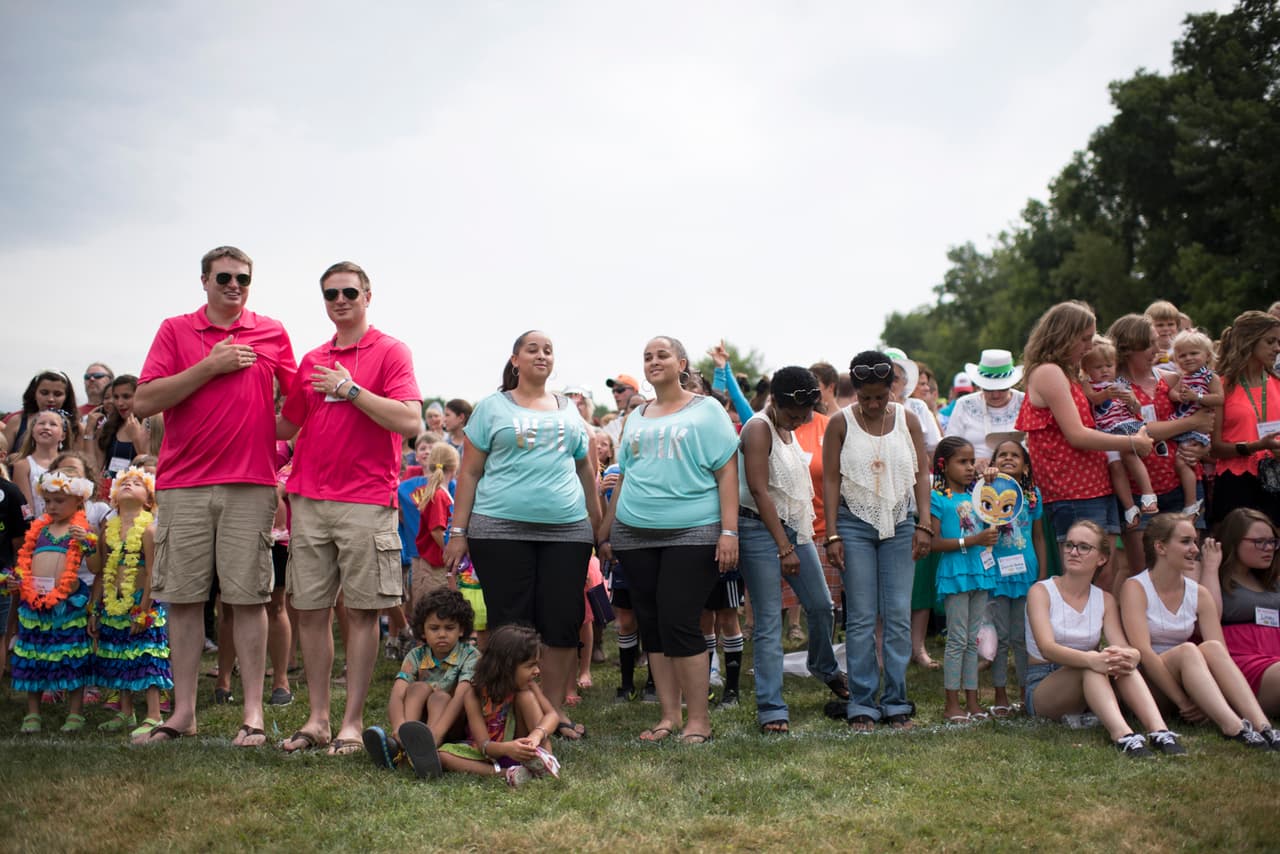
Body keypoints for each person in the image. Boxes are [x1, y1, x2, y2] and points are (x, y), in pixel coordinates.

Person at [133, 245, 297, 745]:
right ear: (203, 280)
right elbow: (144, 401)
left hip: (250, 484)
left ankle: (253, 715)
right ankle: (183, 713)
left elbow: (298, 407)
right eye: (224, 277)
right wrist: (210, 365)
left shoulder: (272, 332)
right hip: (183, 484)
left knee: (248, 600)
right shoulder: (175, 330)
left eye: (243, 279)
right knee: (182, 601)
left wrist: (265, 435)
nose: (234, 286)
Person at [276, 261, 423, 756]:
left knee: (362, 613)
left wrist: (351, 390)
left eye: (349, 292)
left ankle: (352, 723)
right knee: (310, 611)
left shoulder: (389, 350)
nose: (340, 300)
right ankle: (318, 719)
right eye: (331, 294)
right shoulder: (313, 357)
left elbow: (409, 421)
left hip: (365, 499)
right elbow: (284, 426)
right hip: (309, 500)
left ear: (367, 295)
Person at [444, 330, 602, 740]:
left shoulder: (569, 411)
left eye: (548, 350)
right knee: (510, 625)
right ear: (515, 360)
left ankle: (552, 713)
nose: (541, 355)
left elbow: (587, 469)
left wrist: (596, 521)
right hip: (499, 530)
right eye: (532, 349)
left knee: (562, 621)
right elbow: (470, 472)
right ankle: (514, 713)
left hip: (567, 531)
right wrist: (457, 531)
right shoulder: (491, 408)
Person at [597, 335, 739, 744]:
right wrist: (606, 530)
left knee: (680, 619)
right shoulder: (636, 416)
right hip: (634, 534)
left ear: (681, 363)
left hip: (693, 531)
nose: (654, 361)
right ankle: (668, 716)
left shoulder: (707, 410)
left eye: (662, 355)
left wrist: (729, 531)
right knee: (653, 624)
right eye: (647, 357)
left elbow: (727, 471)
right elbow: (626, 474)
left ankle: (699, 721)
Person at [823, 350, 932, 731]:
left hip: (901, 522)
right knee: (862, 617)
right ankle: (863, 704)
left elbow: (921, 474)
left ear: (893, 390)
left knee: (899, 615)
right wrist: (832, 532)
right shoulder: (840, 423)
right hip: (853, 524)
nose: (871, 404)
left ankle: (897, 701)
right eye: (864, 397)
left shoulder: (908, 420)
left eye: (879, 397)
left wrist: (924, 523)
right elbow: (831, 479)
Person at [1015, 301, 1153, 594]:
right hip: (1071, 488)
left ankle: (1096, 636)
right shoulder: (1049, 372)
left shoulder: (1069, 373)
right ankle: (1072, 637)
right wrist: (1132, 441)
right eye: (1084, 338)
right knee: (1083, 575)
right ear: (1064, 335)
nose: (1090, 346)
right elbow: (1077, 435)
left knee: (1106, 570)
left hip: (1094, 483)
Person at [737, 366, 846, 734]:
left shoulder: (788, 426)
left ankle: (824, 666)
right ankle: (771, 707)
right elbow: (759, 489)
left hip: (795, 526)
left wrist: (797, 537)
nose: (800, 422)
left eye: (805, 415)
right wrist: (784, 547)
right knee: (768, 621)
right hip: (757, 529)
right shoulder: (757, 428)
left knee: (821, 605)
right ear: (775, 402)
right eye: (794, 415)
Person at [1024, 520, 1184, 757]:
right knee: (1095, 660)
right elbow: (1047, 648)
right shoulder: (1041, 591)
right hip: (1045, 683)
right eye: (1069, 545)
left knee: (1116, 659)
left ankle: (1159, 730)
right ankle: (1123, 735)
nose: (1073, 552)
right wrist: (1093, 660)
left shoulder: (1105, 599)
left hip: (1093, 678)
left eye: (1083, 547)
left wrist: (1131, 655)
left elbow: (1123, 646)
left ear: (1101, 558)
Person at [1119, 514, 1277, 749]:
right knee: (1188, 650)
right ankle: (1233, 727)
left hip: (1192, 677)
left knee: (1211, 647)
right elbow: (1143, 651)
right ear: (1160, 547)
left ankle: (1263, 726)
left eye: (1195, 541)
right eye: (1185, 542)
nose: (1195, 549)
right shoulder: (1135, 587)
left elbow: (1220, 653)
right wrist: (1183, 701)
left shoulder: (1199, 593)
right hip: (1150, 682)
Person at [8, 471, 99, 733]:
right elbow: (24, 560)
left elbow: (95, 568)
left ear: (78, 502)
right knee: (34, 655)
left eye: (59, 501)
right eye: (48, 501)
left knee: (70, 655)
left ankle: (74, 712)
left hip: (67, 604)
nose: (52, 507)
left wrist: (89, 545)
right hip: (35, 601)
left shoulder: (80, 530)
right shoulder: (40, 528)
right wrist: (19, 579)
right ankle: (33, 713)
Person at [88, 467, 172, 741]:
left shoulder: (150, 528)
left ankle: (153, 713)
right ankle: (125, 711)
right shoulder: (107, 529)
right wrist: (94, 607)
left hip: (141, 602)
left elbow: (152, 573)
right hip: (114, 601)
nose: (129, 484)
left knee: (146, 656)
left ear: (148, 500)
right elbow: (99, 569)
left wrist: (145, 608)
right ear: (113, 497)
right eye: (124, 482)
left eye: (137, 483)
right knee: (118, 654)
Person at [363, 588, 479, 778]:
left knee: (440, 697)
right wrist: (399, 727)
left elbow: (461, 698)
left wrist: (437, 735)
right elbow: (397, 694)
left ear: (462, 630)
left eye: (449, 628)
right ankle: (402, 743)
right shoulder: (416, 656)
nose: (442, 634)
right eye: (434, 628)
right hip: (418, 725)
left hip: (454, 722)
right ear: (423, 631)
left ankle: (427, 748)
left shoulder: (470, 656)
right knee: (417, 687)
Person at [437, 624, 562, 787]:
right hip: (489, 753)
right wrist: (506, 749)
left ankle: (544, 760)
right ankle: (506, 774)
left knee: (527, 697)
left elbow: (552, 715)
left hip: (524, 750)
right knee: (442, 755)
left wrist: (536, 736)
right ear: (507, 667)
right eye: (530, 665)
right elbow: (484, 745)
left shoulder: (527, 687)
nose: (537, 670)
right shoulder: (473, 694)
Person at [929, 437, 998, 723]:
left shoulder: (977, 495)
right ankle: (951, 703)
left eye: (972, 462)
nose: (970, 467)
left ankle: (972, 700)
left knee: (972, 639)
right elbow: (934, 543)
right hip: (956, 572)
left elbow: (998, 512)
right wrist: (973, 540)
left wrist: (992, 485)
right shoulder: (937, 499)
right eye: (962, 462)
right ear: (944, 466)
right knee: (957, 639)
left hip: (980, 572)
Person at [983, 439, 1046, 715]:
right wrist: (986, 481)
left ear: (1025, 465)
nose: (1009, 458)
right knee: (1000, 636)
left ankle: (1024, 690)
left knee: (1022, 635)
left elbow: (1039, 537)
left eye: (1015, 455)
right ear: (993, 462)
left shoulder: (1033, 496)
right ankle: (999, 692)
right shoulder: (983, 491)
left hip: (1025, 572)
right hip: (995, 571)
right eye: (1002, 455)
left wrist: (1042, 576)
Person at [1200, 508, 1280, 717]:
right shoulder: (1213, 575)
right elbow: (1209, 618)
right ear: (1234, 542)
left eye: (1272, 541)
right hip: (1241, 662)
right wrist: (1210, 568)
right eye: (1259, 541)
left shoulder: (1270, 579)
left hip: (1274, 654)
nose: (1268, 548)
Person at [1209, 310, 1280, 527]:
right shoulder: (1222, 386)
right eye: (1270, 341)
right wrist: (1255, 446)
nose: (1277, 348)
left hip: (1275, 477)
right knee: (1237, 552)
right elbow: (1215, 448)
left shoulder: (1277, 383)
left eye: (1279, 341)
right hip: (1236, 482)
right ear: (1249, 341)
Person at [1081, 336, 1159, 526]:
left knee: (1130, 455)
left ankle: (1148, 494)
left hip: (1125, 426)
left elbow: (1137, 408)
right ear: (1087, 370)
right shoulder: (1088, 385)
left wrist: (1130, 400)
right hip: (1106, 433)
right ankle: (1129, 507)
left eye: (1108, 365)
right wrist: (1106, 394)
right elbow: (1094, 399)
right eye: (1098, 367)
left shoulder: (1121, 382)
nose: (1104, 370)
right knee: (1115, 466)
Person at [1165, 330, 1222, 516]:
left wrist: (1196, 396)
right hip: (1183, 423)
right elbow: (1172, 393)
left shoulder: (1210, 377)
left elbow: (1219, 399)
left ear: (1207, 355)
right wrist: (1178, 396)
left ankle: (1191, 504)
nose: (1188, 358)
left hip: (1198, 429)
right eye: (1182, 355)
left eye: (1194, 353)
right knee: (1181, 461)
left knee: (1183, 462)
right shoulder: (1184, 377)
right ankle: (1191, 501)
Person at [943, 349, 1025, 467]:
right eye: (989, 389)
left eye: (1002, 389)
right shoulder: (964, 405)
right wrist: (970, 462)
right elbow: (950, 447)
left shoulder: (1025, 402)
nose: (995, 395)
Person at [412, 443, 460, 605]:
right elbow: (436, 530)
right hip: (435, 566)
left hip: (437, 565)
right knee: (435, 607)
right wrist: (450, 552)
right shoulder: (439, 495)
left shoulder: (441, 492)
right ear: (454, 467)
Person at [3, 371, 79, 459]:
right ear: (34, 394)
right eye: (44, 393)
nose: (51, 399)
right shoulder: (17, 421)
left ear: (66, 397)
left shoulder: (76, 426)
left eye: (57, 394)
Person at [12, 409, 70, 519]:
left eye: (53, 424)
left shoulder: (69, 463)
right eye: (41, 423)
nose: (46, 427)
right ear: (33, 432)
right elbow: (25, 506)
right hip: (36, 527)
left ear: (63, 435)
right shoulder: (23, 465)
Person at [604, 373, 640, 442]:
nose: (615, 395)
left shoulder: (650, 416)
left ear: (635, 391)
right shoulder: (612, 424)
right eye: (613, 391)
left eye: (620, 390)